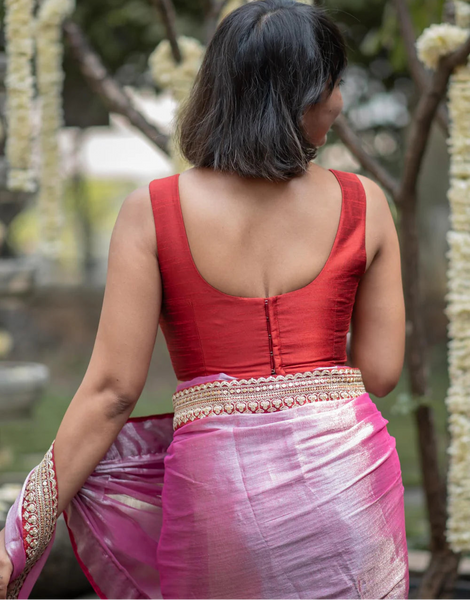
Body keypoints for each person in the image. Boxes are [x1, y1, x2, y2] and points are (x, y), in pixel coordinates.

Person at [0, 0, 409, 598]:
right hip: (350, 481)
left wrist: (19, 536)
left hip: (220, 491)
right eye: (335, 84)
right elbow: (381, 371)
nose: (339, 102)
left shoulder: (153, 211)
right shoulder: (365, 203)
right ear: (303, 94)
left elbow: (111, 394)